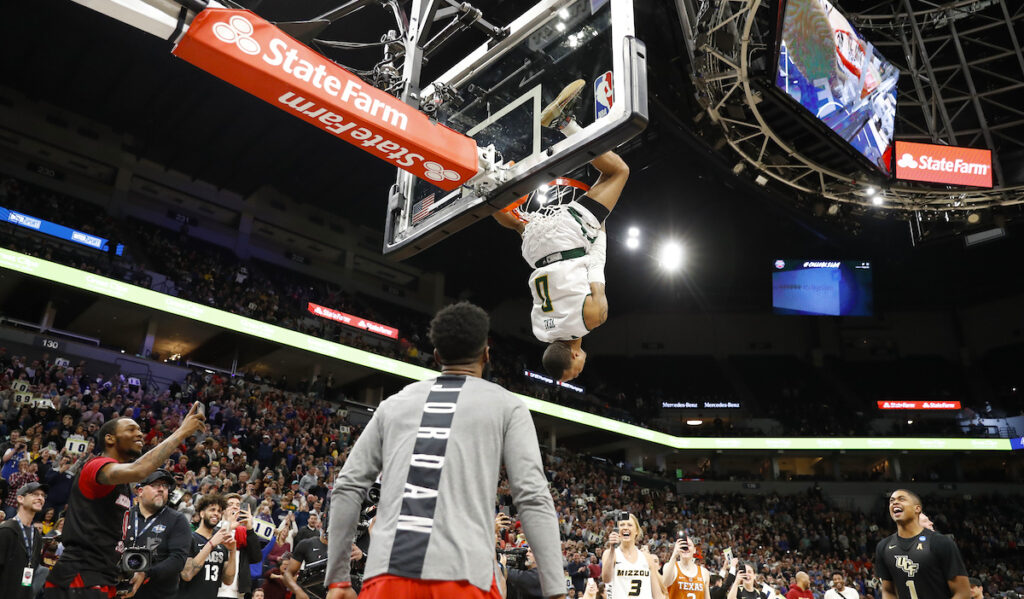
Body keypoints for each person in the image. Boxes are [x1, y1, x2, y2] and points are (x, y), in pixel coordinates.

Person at [325, 302, 564, 599]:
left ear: (437, 356)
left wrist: (338, 579)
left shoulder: (393, 405)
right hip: (465, 576)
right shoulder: (507, 406)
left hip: (387, 576)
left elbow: (348, 486)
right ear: (486, 354)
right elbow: (532, 497)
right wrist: (555, 590)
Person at [493, 80, 630, 382]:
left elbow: (597, 264)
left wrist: (601, 223)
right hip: (536, 251)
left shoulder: (593, 319)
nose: (583, 366)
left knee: (617, 172)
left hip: (568, 239)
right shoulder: (540, 329)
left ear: (576, 356)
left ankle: (563, 122)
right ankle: (489, 195)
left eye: (578, 370)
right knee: (517, 223)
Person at [44, 403, 206, 599]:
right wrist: (181, 432)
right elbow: (139, 470)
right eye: (131, 429)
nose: (140, 434)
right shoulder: (96, 466)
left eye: (140, 430)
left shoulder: (120, 483)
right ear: (110, 438)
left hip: (102, 575)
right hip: (79, 574)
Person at [873, 489, 969, 599]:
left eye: (901, 499)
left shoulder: (941, 542)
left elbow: (963, 593)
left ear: (917, 508)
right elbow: (888, 591)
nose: (894, 502)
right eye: (891, 500)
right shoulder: (883, 547)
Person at [123, 470, 193, 599]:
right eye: (155, 485)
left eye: (165, 486)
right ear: (140, 491)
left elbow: (178, 560)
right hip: (121, 591)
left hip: (159, 594)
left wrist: (146, 573)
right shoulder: (125, 515)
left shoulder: (177, 519)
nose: (161, 489)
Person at [178, 494, 237, 599]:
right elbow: (187, 575)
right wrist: (210, 544)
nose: (216, 514)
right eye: (212, 510)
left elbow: (228, 581)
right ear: (201, 513)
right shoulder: (189, 538)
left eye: (219, 511)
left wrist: (232, 551)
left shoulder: (221, 543)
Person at [0, 482, 46, 599]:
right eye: (35, 494)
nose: (40, 498)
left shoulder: (36, 535)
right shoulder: (6, 531)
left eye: (43, 495)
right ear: (20, 498)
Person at [602, 514, 661, 599]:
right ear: (618, 531)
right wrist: (612, 548)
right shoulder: (610, 554)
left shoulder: (647, 558)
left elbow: (657, 594)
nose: (625, 527)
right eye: (622, 525)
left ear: (636, 530)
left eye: (629, 525)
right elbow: (606, 579)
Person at [217, 493, 264, 599]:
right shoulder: (214, 528)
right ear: (222, 509)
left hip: (237, 591)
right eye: (231, 504)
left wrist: (250, 528)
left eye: (238, 505)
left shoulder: (244, 532)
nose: (235, 507)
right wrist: (228, 526)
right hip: (215, 589)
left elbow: (256, 557)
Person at [663, 535, 709, 599]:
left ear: (694, 550)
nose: (686, 548)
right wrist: (674, 555)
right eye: (683, 546)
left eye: (689, 545)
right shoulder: (670, 567)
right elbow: (665, 583)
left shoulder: (704, 572)